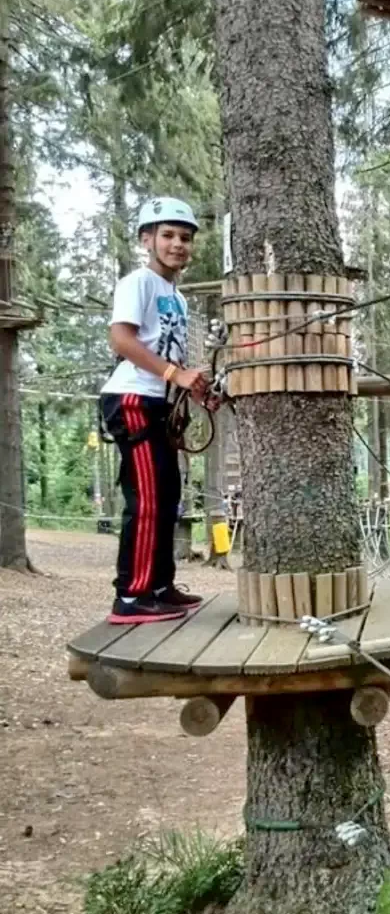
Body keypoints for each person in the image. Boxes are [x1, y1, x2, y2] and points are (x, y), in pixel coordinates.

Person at [98, 196, 209, 624]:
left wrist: (191, 387)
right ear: (147, 240)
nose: (178, 244)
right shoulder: (138, 283)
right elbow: (122, 339)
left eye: (185, 237)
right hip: (133, 399)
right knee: (146, 499)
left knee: (167, 497)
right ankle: (131, 595)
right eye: (167, 235)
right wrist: (173, 374)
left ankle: (160, 586)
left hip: (159, 400)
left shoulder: (176, 297)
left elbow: (170, 356)